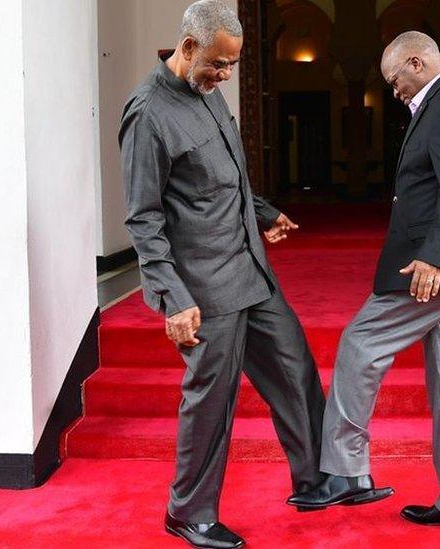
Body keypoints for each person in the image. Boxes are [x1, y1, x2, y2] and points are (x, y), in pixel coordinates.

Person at [119, 2, 324, 547]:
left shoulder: (207, 92)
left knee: (295, 367)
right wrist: (172, 297)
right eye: (218, 64)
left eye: (232, 65)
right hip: (204, 288)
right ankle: (188, 511)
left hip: (251, 266)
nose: (226, 76)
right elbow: (144, 216)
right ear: (187, 48)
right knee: (213, 399)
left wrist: (263, 212)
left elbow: (222, 176)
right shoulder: (147, 112)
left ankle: (316, 479)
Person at [287, 31, 440, 532]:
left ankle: (345, 471)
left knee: (360, 342)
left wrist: (435, 258)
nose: (394, 90)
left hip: (437, 268)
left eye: (394, 79)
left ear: (415, 60)